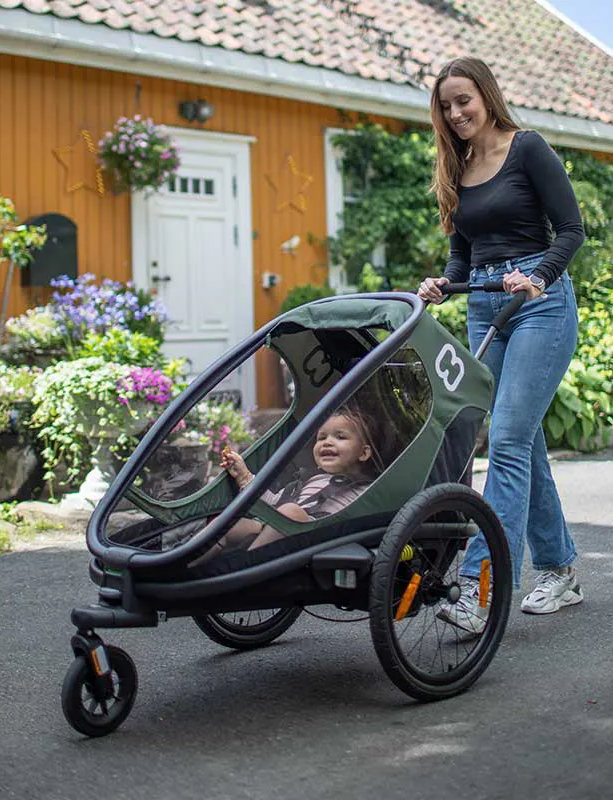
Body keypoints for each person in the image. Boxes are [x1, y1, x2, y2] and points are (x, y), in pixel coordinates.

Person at [417, 56, 585, 634]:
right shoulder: (456, 167)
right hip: (486, 304)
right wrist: (445, 280)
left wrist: (538, 276)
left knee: (508, 439)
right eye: (446, 105)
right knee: (523, 442)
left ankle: (480, 588)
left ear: (486, 95)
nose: (456, 112)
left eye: (463, 99)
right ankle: (559, 569)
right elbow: (466, 250)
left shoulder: (528, 148)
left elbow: (571, 230)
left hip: (540, 304)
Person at [190, 407, 380, 564]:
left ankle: (244, 567)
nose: (327, 442)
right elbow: (274, 504)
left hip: (318, 538)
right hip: (282, 529)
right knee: (226, 522)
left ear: (363, 453)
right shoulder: (308, 481)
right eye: (321, 438)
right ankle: (187, 562)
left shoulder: (366, 489)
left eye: (340, 437)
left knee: (291, 511)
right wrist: (244, 476)